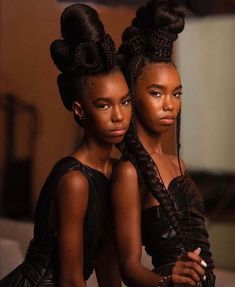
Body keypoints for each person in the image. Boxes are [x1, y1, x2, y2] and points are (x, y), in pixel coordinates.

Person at [0, 3, 131, 287]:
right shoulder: (74, 180)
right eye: (103, 105)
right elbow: (71, 281)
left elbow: (109, 269)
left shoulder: (118, 172)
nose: (119, 115)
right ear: (80, 110)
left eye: (125, 101)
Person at [111, 0, 215, 286]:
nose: (170, 105)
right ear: (132, 95)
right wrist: (168, 281)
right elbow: (128, 268)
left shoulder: (177, 164)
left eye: (176, 94)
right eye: (157, 94)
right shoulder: (129, 173)